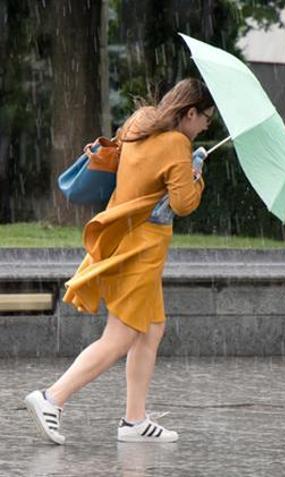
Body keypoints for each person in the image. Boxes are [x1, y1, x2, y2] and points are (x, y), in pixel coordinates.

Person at [24, 78, 214, 445]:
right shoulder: (177, 143)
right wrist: (196, 174)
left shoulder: (139, 121)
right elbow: (183, 204)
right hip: (141, 251)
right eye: (205, 117)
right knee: (120, 336)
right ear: (189, 112)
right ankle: (52, 398)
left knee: (151, 330)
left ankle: (134, 421)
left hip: (123, 236)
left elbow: (139, 178)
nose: (206, 125)